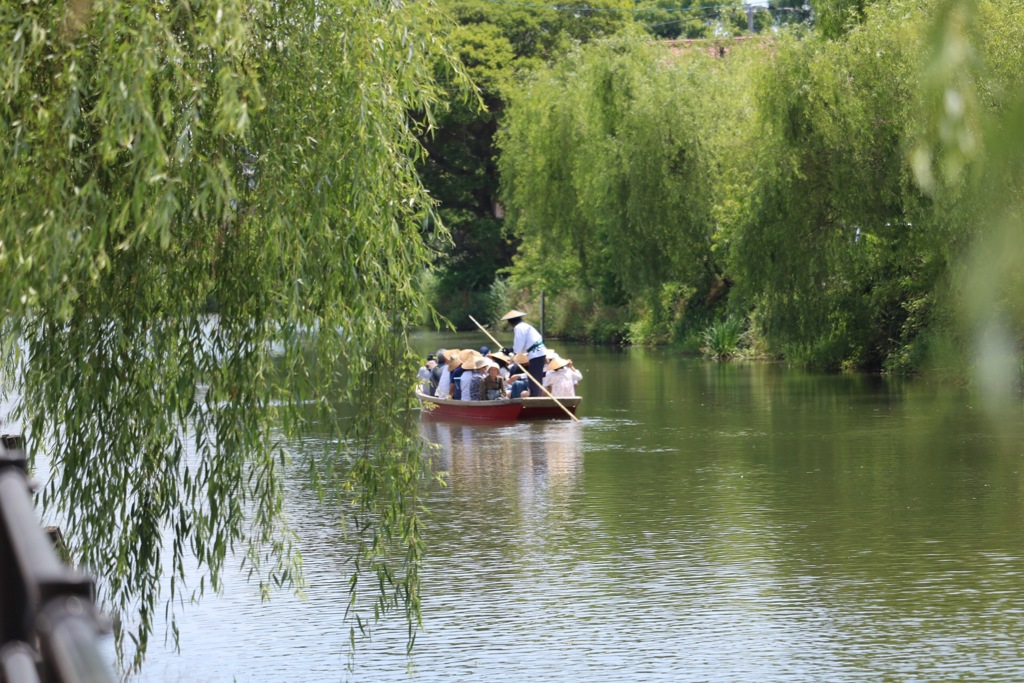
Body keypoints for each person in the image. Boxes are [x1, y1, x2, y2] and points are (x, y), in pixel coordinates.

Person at [502, 309, 547, 397]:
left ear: (510, 323)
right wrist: (508, 350)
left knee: (533, 378)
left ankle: (535, 396)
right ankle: (535, 395)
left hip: (536, 353)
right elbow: (521, 346)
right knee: (535, 376)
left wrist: (511, 352)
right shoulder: (525, 326)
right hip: (538, 352)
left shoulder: (518, 328)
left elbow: (518, 348)